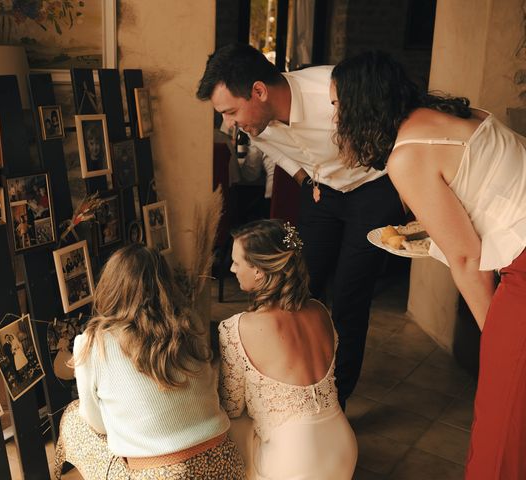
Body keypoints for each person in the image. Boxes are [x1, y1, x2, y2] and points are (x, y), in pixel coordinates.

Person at [331, 50, 526, 480]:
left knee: (503, 416)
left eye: (336, 105)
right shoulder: (453, 114)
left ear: (360, 105)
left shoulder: (407, 155)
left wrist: (492, 336)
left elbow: (466, 256)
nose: (334, 117)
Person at [197, 43, 405, 408]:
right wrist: (306, 180)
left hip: (374, 189)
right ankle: (293, 379)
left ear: (259, 91)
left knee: (348, 297)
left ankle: (334, 401)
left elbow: (399, 128)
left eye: (230, 112)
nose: (228, 125)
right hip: (322, 192)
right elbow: (273, 149)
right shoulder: (255, 118)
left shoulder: (333, 91)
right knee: (298, 283)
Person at [73, 244, 245, 478]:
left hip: (160, 472)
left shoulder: (92, 343)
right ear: (165, 284)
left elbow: (97, 424)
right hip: (223, 459)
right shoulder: (189, 323)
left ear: (109, 287)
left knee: (74, 419)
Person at [219, 220, 357, 479]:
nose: (232, 268)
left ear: (259, 271)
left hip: (296, 460)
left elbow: (231, 407)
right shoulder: (320, 310)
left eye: (237, 262)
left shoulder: (236, 328)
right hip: (342, 445)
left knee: (232, 428)